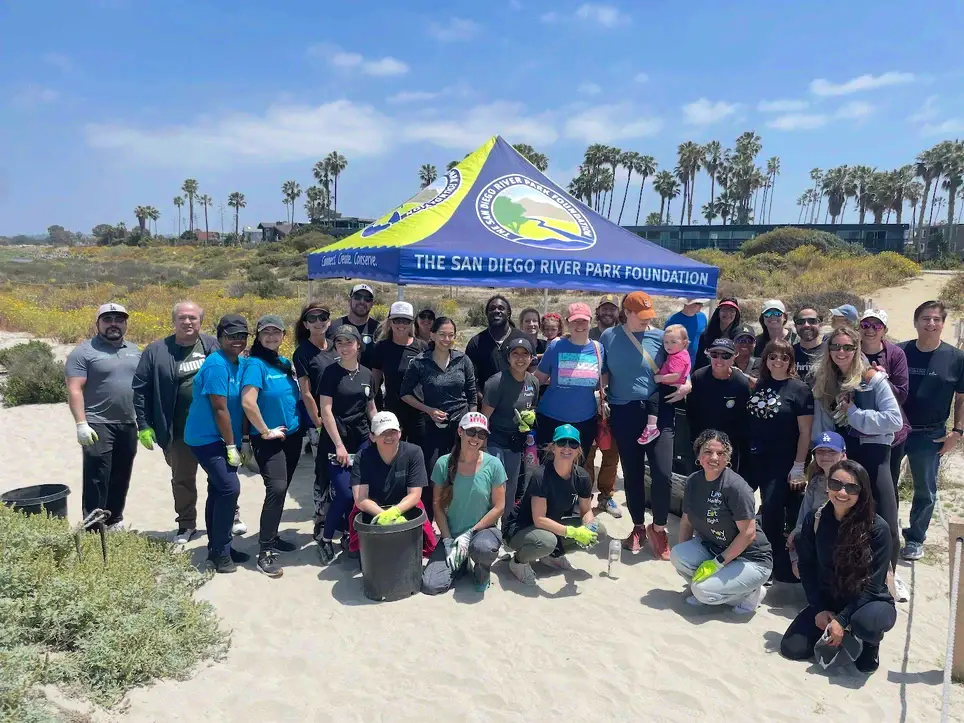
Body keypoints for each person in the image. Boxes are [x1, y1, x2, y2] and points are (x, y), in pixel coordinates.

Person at [780, 460, 897, 675]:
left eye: (851, 487)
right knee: (792, 648)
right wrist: (818, 608)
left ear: (862, 491)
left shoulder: (877, 528)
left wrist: (842, 619)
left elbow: (873, 585)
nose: (842, 492)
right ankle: (837, 627)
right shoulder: (814, 519)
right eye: (835, 484)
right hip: (829, 597)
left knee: (867, 627)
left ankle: (869, 642)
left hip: (868, 600)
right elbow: (806, 566)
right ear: (827, 486)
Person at [600, 291, 691, 558]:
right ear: (625, 313)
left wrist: (687, 384)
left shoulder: (661, 337)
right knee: (632, 472)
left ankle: (659, 529)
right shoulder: (609, 337)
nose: (645, 321)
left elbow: (683, 363)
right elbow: (603, 372)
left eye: (648, 316)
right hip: (624, 412)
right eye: (640, 316)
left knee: (663, 473)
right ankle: (638, 527)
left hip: (659, 410)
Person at [811, 326, 902, 583]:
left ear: (857, 349)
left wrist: (855, 415)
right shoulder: (826, 380)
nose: (841, 352)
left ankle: (887, 581)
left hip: (874, 454)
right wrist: (822, 455)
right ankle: (848, 578)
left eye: (847, 347)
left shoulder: (873, 378)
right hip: (845, 459)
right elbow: (823, 422)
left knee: (886, 519)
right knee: (844, 518)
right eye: (835, 347)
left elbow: (894, 420)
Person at [132, 301, 226, 543]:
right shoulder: (156, 350)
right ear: (173, 321)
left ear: (200, 321)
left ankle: (229, 517)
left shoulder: (212, 346)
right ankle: (186, 524)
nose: (187, 322)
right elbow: (140, 390)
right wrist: (143, 425)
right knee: (183, 480)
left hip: (213, 429)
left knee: (221, 476)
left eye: (193, 318)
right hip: (176, 431)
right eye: (182, 317)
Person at [671, 430, 772, 613]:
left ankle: (750, 594)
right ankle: (712, 589)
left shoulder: (735, 487)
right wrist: (684, 553)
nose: (714, 457)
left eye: (721, 453)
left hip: (750, 559)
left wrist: (718, 563)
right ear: (699, 456)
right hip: (714, 547)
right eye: (708, 452)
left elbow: (748, 533)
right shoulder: (693, 481)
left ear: (728, 459)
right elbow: (686, 520)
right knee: (678, 555)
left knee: (701, 591)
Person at [182, 314, 251, 573]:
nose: (237, 340)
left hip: (226, 438)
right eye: (231, 335)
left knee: (218, 489)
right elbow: (219, 407)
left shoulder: (239, 363)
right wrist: (232, 446)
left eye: (242, 336)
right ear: (220, 337)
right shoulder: (216, 364)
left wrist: (241, 440)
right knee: (229, 489)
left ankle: (219, 548)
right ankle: (221, 551)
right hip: (205, 438)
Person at [66, 303, 142, 530]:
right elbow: (74, 389)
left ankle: (114, 519)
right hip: (97, 423)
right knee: (98, 476)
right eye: (107, 319)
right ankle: (93, 524)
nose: (113, 324)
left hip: (128, 422)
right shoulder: (84, 351)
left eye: (119, 319)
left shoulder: (135, 350)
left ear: (125, 323)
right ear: (98, 323)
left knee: (121, 474)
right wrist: (81, 423)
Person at [898, 300, 964, 561]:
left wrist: (957, 432)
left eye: (937, 319)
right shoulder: (899, 351)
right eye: (926, 318)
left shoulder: (956, 358)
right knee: (885, 484)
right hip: (896, 430)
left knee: (925, 490)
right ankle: (882, 533)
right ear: (916, 322)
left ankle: (915, 538)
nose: (931, 323)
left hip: (930, 434)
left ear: (943, 324)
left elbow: (961, 397)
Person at [745, 338, 814, 582]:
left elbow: (805, 432)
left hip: (783, 459)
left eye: (784, 357)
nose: (778, 361)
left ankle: (776, 562)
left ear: (791, 361)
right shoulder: (760, 384)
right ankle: (752, 551)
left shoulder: (799, 389)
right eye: (773, 356)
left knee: (774, 509)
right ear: (765, 359)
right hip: (755, 455)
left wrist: (798, 466)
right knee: (749, 504)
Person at [241, 315, 304, 578]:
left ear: (283, 336)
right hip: (268, 438)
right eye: (265, 333)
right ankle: (264, 551)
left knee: (282, 488)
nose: (271, 337)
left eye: (276, 333)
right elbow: (248, 402)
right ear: (258, 335)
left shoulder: (284, 363)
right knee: (276, 488)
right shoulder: (255, 364)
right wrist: (265, 430)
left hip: (293, 435)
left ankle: (273, 535)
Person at [422, 412, 507, 595]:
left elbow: (499, 507)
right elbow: (436, 505)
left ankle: (481, 571)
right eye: (471, 432)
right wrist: (446, 540)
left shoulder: (494, 465)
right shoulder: (443, 463)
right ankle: (460, 564)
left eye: (482, 434)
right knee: (431, 585)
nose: (476, 438)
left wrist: (469, 533)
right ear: (460, 431)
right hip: (451, 533)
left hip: (482, 532)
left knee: (483, 549)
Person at [400, 316, 477, 519]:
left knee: (459, 473)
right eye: (442, 334)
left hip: (460, 429)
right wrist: (428, 410)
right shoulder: (420, 362)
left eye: (451, 335)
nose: (446, 339)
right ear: (432, 335)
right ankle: (428, 523)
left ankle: (458, 517)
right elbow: (405, 393)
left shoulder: (463, 360)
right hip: (432, 428)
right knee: (433, 473)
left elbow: (471, 394)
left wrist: (470, 423)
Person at [505, 424, 599, 585]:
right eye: (562, 442)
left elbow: (586, 510)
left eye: (573, 444)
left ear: (578, 450)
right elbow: (539, 519)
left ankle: (551, 556)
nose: (567, 448)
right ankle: (518, 562)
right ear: (553, 447)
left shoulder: (582, 477)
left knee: (600, 531)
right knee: (547, 541)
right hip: (521, 528)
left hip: (550, 525)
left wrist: (588, 527)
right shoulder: (540, 475)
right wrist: (572, 532)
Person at [317, 325, 377, 565]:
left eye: (348, 342)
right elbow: (326, 410)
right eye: (339, 343)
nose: (344, 347)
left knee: (360, 495)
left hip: (362, 440)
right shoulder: (330, 373)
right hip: (336, 443)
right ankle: (325, 537)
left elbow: (371, 408)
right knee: (343, 493)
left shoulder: (366, 374)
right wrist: (339, 445)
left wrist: (380, 430)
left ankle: (348, 534)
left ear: (358, 345)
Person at [348, 411, 437, 558]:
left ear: (400, 433)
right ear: (372, 436)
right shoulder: (362, 457)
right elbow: (361, 498)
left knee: (426, 548)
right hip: (373, 510)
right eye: (383, 432)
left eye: (393, 431)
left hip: (404, 507)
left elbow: (415, 494)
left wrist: (394, 513)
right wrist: (384, 516)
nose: (389, 436)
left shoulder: (414, 452)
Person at [534, 303, 604, 460]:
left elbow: (604, 380)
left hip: (584, 423)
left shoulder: (598, 349)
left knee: (576, 473)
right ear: (566, 323)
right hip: (552, 421)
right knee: (547, 471)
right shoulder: (556, 346)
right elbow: (538, 379)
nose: (579, 326)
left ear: (591, 321)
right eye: (574, 321)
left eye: (583, 321)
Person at [481, 337, 539, 527]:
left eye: (525, 354)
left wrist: (529, 418)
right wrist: (481, 445)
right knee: (497, 483)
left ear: (531, 358)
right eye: (516, 354)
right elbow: (484, 418)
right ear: (508, 357)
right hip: (494, 439)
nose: (520, 359)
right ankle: (488, 525)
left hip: (516, 441)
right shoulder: (496, 383)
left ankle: (507, 524)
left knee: (512, 484)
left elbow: (533, 407)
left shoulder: (533, 382)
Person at [859, 308, 910, 499]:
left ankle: (887, 528)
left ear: (884, 330)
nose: (870, 330)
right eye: (865, 325)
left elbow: (902, 395)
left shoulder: (895, 354)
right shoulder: (849, 351)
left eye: (876, 325)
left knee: (886, 489)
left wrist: (881, 380)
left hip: (891, 435)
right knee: (858, 485)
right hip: (857, 431)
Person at [686, 338, 751, 475]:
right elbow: (691, 413)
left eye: (725, 356)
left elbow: (744, 420)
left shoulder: (741, 383)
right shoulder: (698, 377)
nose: (719, 360)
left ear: (734, 357)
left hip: (729, 446)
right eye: (715, 355)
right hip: (702, 443)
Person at [787, 431, 846, 579]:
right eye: (820, 451)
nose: (825, 456)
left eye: (831, 451)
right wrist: (795, 557)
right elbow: (802, 519)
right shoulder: (815, 482)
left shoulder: (852, 482)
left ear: (843, 454)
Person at [370, 301, 428, 446]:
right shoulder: (381, 348)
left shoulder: (422, 347)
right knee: (393, 453)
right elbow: (375, 382)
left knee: (418, 454)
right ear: (390, 322)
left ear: (412, 323)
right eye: (397, 320)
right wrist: (371, 408)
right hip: (392, 411)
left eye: (405, 320)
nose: (401, 324)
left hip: (418, 412)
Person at [465, 295, 533, 399]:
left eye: (501, 308)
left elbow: (532, 373)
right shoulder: (476, 342)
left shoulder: (523, 339)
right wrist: (483, 399)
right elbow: (470, 378)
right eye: (492, 308)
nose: (497, 311)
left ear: (509, 313)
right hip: (486, 404)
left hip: (518, 401)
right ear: (486, 314)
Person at [638, 323, 690, 445]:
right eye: (666, 342)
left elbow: (676, 375)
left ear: (684, 342)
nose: (668, 345)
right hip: (672, 387)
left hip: (670, 387)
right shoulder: (679, 354)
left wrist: (660, 378)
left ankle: (651, 427)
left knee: (653, 401)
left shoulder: (678, 357)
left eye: (673, 342)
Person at [293, 302, 333, 451]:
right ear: (306, 324)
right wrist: (318, 423)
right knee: (322, 465)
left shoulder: (336, 346)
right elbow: (306, 392)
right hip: (320, 418)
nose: (318, 322)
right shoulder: (301, 353)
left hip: (341, 415)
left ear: (329, 322)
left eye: (322, 317)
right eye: (312, 318)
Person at [326, 283, 380, 367]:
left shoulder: (379, 330)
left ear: (372, 303)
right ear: (349, 300)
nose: (362, 302)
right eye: (357, 297)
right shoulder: (333, 327)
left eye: (367, 299)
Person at [693, 297, 741, 371]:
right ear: (718, 312)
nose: (728, 313)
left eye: (732, 311)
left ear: (736, 314)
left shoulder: (740, 337)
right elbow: (699, 361)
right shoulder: (706, 335)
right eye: (724, 309)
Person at [665, 298, 708, 368]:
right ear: (687, 303)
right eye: (698, 303)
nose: (701, 306)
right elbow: (665, 344)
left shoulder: (702, 317)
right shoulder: (673, 320)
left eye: (702, 303)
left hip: (697, 362)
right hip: (678, 364)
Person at [792, 305, 824, 384]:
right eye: (801, 322)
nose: (806, 325)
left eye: (812, 321)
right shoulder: (788, 353)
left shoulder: (831, 352)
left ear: (820, 325)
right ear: (795, 326)